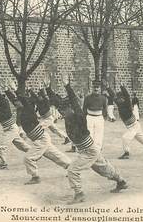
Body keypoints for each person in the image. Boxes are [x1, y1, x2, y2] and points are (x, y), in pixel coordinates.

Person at [48, 74, 128, 204]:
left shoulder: (78, 116)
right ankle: (121, 181)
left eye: (64, 110)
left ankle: (79, 194)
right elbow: (57, 103)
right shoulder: (67, 115)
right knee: (103, 168)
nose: (62, 113)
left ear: (70, 109)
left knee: (72, 170)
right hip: (90, 149)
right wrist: (47, 88)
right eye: (61, 111)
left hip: (88, 151)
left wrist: (67, 85)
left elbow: (74, 101)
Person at [6, 80, 71, 185]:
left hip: (41, 139)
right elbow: (14, 99)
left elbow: (22, 99)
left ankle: (35, 177)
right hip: (40, 139)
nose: (16, 103)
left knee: (28, 158)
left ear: (23, 102)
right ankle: (71, 166)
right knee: (54, 155)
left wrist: (14, 89)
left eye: (18, 102)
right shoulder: (21, 109)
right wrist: (7, 91)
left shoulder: (28, 108)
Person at [0, 75, 30, 169]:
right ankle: (37, 152)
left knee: (0, 147)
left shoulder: (3, 101)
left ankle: (3, 164)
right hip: (9, 128)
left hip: (11, 129)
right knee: (22, 146)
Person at [104, 81, 143, 159]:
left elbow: (127, 95)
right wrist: (108, 87)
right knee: (142, 138)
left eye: (120, 98)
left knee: (125, 138)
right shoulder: (119, 102)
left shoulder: (127, 103)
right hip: (133, 125)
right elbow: (113, 96)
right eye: (118, 98)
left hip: (133, 126)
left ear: (123, 98)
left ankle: (126, 153)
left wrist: (122, 87)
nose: (118, 100)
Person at [83, 80, 107, 150]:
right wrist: (84, 118)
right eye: (94, 87)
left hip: (99, 118)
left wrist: (104, 117)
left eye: (97, 87)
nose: (96, 89)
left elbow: (104, 109)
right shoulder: (87, 98)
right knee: (90, 134)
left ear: (100, 88)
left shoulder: (103, 98)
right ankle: (90, 149)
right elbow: (84, 109)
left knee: (99, 134)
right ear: (92, 88)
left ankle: (97, 150)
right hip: (89, 117)